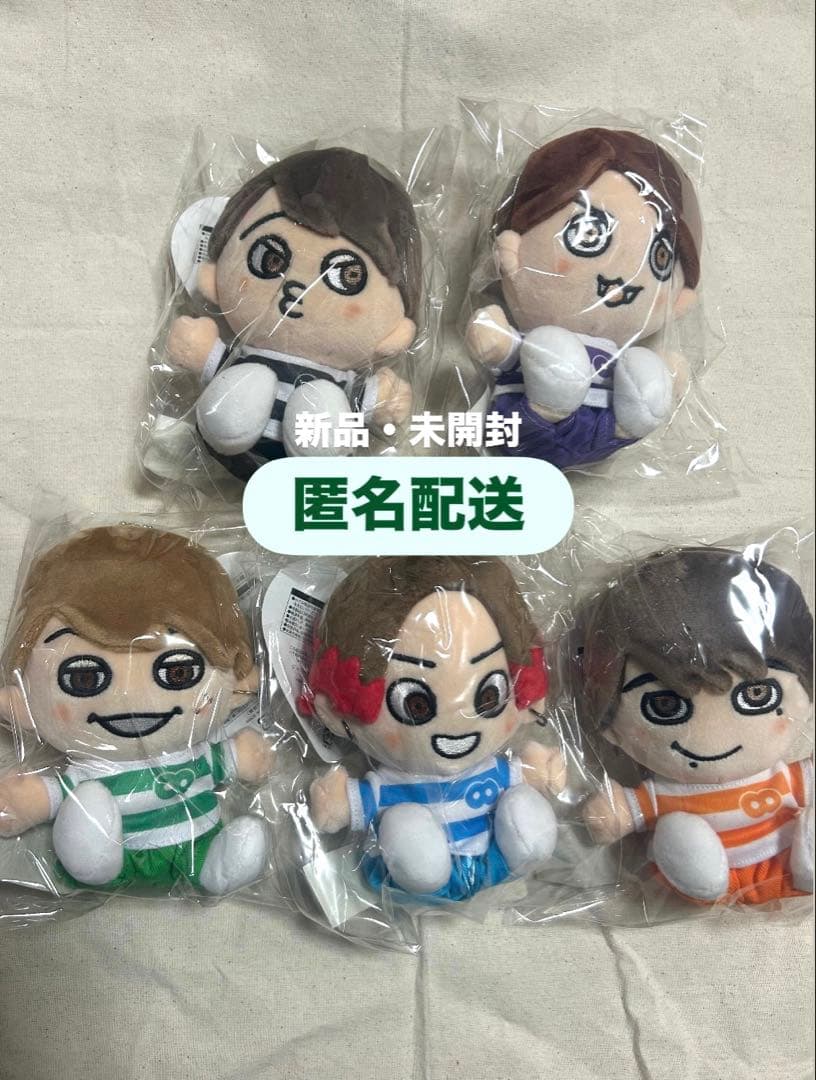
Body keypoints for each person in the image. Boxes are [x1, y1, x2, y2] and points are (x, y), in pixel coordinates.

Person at [0, 525, 275, 895]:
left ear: (237, 684)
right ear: (24, 700)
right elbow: (57, 793)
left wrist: (240, 755)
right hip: (114, 852)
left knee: (242, 842)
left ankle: (216, 868)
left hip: (198, 845)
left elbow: (226, 759)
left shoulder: (196, 753)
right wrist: (29, 800)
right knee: (89, 802)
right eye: (84, 678)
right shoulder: (92, 772)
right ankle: (93, 863)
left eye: (177, 672)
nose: (130, 697)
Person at [302, 555, 564, 901]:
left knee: (523, 808)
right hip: (413, 880)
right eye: (416, 705)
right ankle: (424, 872)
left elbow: (524, 776)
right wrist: (338, 803)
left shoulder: (495, 771)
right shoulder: (390, 784)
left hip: (496, 860)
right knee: (405, 826)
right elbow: (353, 805)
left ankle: (522, 849)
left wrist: (537, 772)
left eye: (489, 695)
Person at [167, 147, 422, 477]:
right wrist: (202, 351)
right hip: (225, 460)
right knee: (247, 380)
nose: (297, 289)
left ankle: (315, 446)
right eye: (270, 260)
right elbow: (212, 359)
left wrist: (383, 398)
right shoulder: (243, 355)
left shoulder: (343, 379)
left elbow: (369, 400)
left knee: (325, 399)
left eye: (346, 277)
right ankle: (229, 423)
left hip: (310, 483)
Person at [580, 546, 813, 905]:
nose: (715, 737)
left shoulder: (784, 779)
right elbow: (624, 811)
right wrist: (615, 812)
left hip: (788, 861)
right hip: (703, 877)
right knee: (677, 830)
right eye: (665, 706)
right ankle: (705, 880)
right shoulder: (664, 794)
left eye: (756, 696)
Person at [465, 127, 702, 468]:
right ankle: (549, 405)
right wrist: (497, 340)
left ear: (681, 298)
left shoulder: (620, 355)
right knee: (549, 347)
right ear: (511, 249)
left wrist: (665, 374)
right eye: (588, 234)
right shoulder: (534, 340)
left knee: (642, 371)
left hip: (606, 436)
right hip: (526, 425)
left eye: (660, 257)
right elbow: (500, 348)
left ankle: (632, 421)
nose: (621, 279)